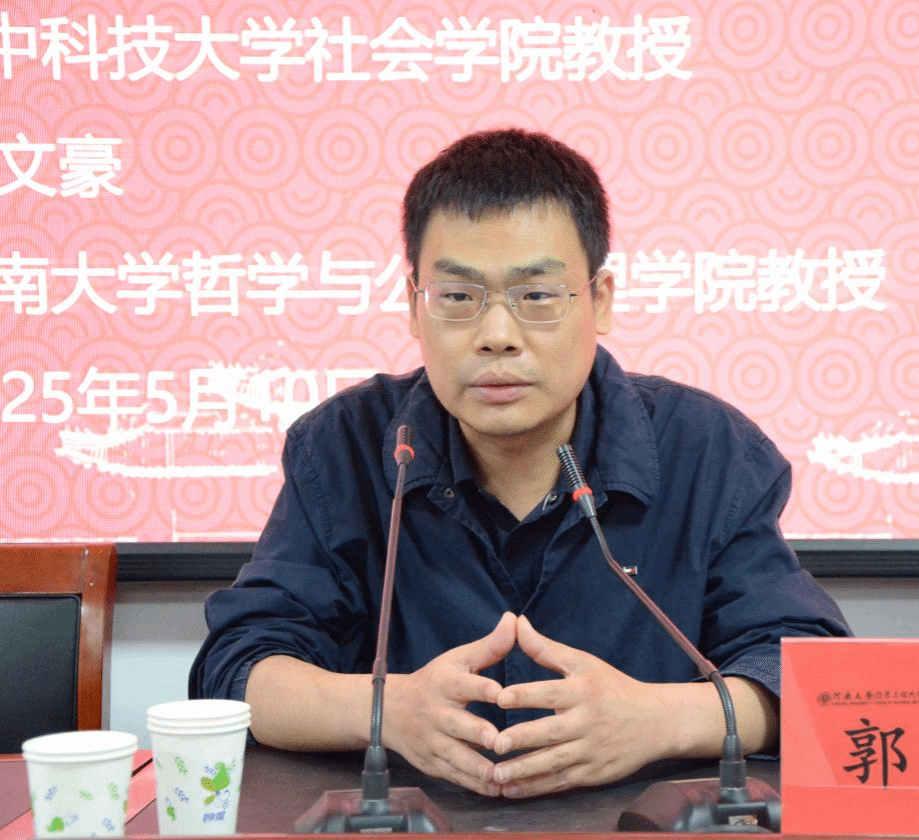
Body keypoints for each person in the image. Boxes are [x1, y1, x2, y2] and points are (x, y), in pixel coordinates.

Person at [189, 127, 850, 799]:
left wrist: (656, 721)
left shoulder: (708, 451)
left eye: (536, 297)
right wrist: (387, 712)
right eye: (458, 297)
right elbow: (241, 670)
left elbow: (811, 679)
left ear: (600, 300)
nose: (497, 337)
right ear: (414, 306)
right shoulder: (345, 447)